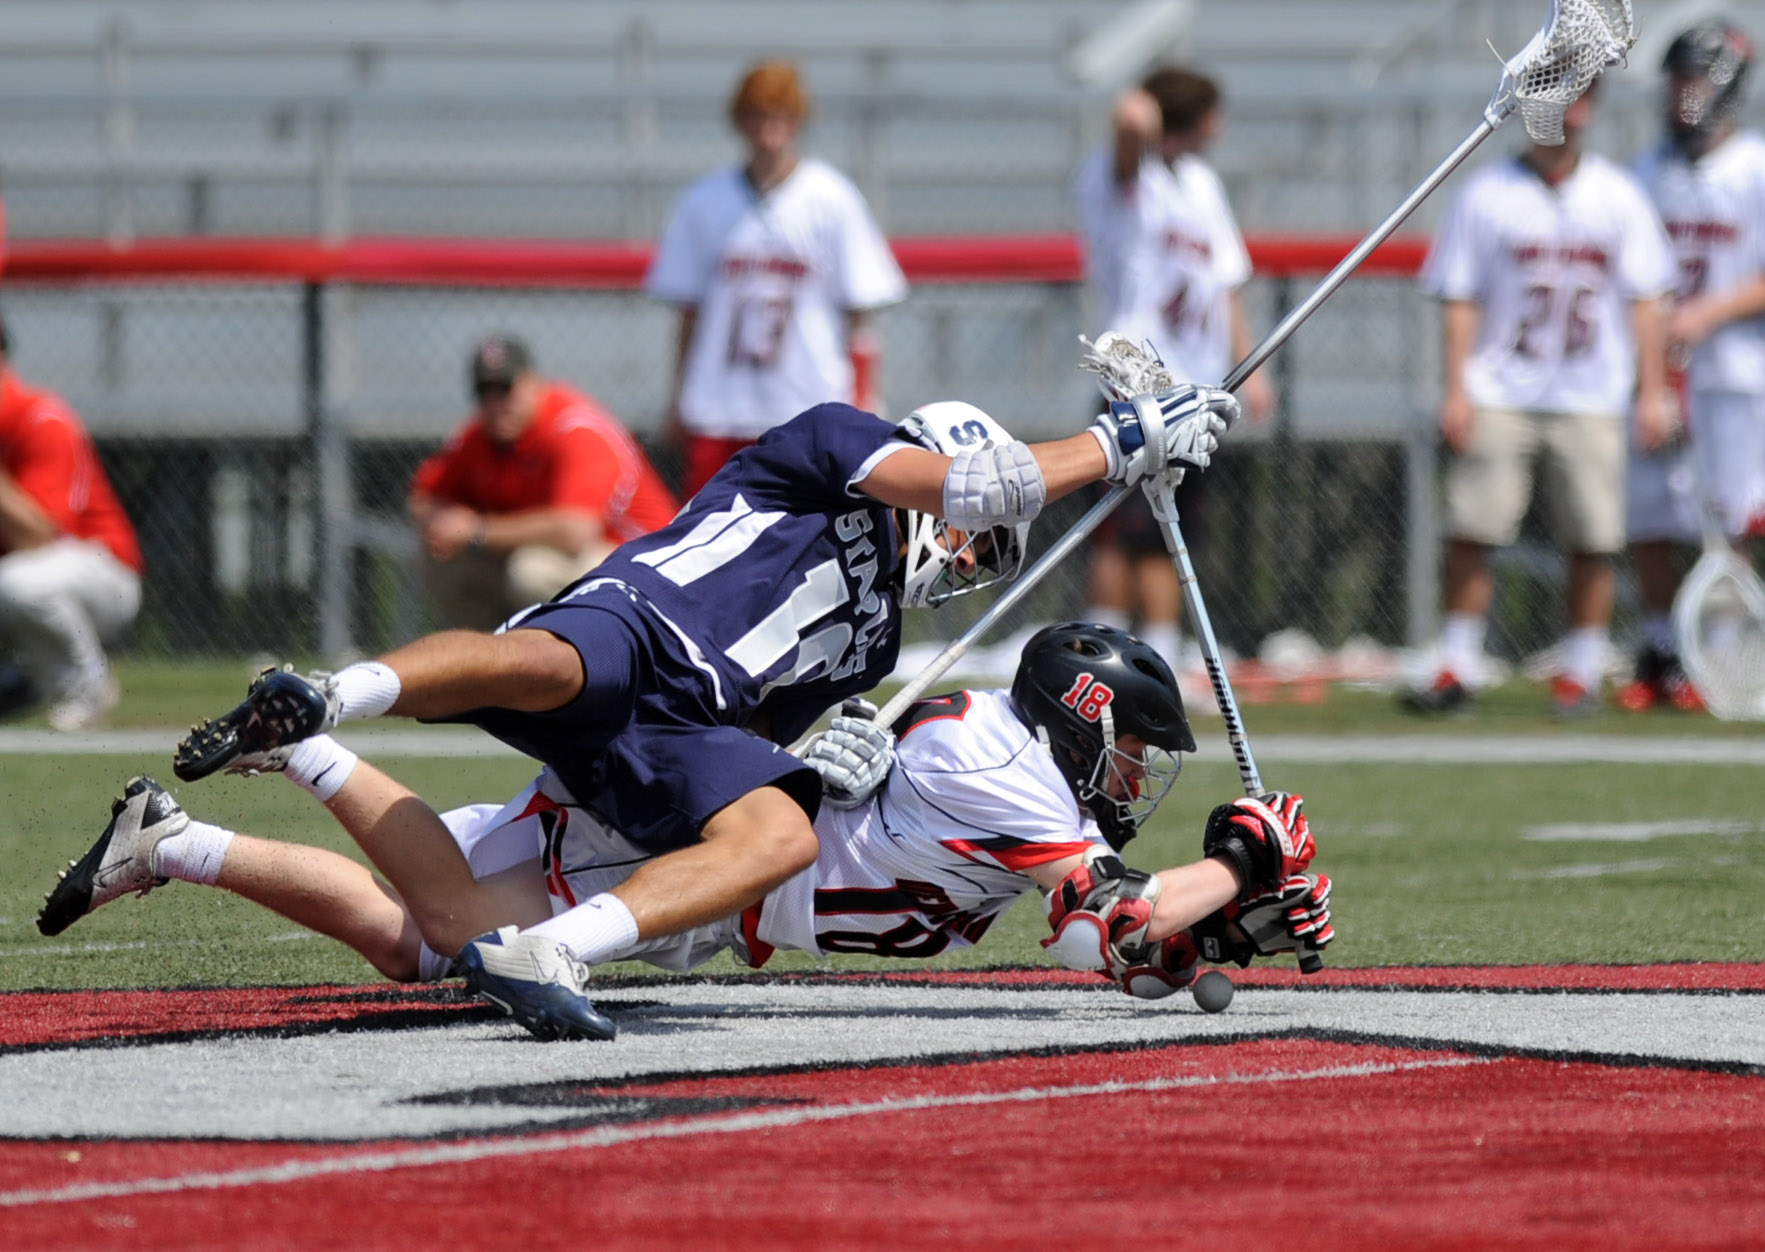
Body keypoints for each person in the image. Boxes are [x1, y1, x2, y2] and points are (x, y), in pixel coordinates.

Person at [171, 384, 1240, 1036]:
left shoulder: (876, 642)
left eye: (984, 561)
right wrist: (1120, 442)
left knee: (769, 836)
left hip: (679, 734)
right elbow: (977, 488)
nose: (964, 565)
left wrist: (824, 769)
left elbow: (758, 743)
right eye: (973, 550)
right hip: (646, 623)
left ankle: (551, 950)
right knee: (542, 663)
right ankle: (325, 697)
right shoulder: (836, 445)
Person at [44, 624, 1334, 1040]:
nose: (1134, 780)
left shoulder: (1018, 770)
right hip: (683, 863)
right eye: (1130, 752)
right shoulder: (1009, 767)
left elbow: (1108, 948)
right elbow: (1116, 919)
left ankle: (170, 839)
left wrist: (1225, 923)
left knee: (406, 938)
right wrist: (1237, 861)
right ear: (1081, 718)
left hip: (707, 881)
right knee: (444, 935)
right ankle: (303, 741)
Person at [1400, 81, 1675, 719]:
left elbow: (1647, 300)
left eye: (1583, 99)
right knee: (1475, 527)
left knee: (1593, 536)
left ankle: (1582, 668)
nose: (1571, 113)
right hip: (1501, 386)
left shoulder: (1617, 195)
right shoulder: (1487, 194)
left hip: (1591, 391)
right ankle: (1458, 661)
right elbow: (1460, 296)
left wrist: (1653, 390)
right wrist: (1456, 388)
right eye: (1560, 98)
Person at [1619, 23, 1765, 712]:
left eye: (1695, 80)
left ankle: (1717, 650)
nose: (1683, 94)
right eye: (1676, 80)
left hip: (1735, 373)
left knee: (1732, 517)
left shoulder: (1761, 168)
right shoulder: (1648, 170)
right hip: (1659, 374)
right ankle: (1659, 647)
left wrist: (1706, 314)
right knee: (1650, 511)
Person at [1073, 66, 1274, 674]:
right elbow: (1129, 127)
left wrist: (1249, 364)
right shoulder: (1131, 178)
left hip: (1194, 385)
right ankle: (1098, 655)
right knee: (1120, 528)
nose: (1220, 129)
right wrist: (1144, 111)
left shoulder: (1203, 185)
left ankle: (1158, 653)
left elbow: (1225, 282)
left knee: (1170, 528)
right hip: (1137, 383)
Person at [645, 60, 907, 496]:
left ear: (798, 120)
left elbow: (861, 314)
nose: (768, 129)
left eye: (779, 115)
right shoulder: (703, 202)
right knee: (707, 524)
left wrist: (864, 401)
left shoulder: (831, 199)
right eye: (757, 115)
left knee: (811, 526)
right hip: (721, 404)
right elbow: (688, 314)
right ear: (739, 121)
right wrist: (677, 399)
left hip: (807, 401)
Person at [408, 335, 680, 630]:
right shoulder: (479, 435)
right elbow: (422, 499)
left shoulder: (575, 428)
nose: (497, 404)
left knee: (531, 570)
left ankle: (601, 656)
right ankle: (496, 655)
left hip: (653, 573)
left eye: (506, 389)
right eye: (486, 393)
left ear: (532, 383)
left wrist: (475, 530)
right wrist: (447, 525)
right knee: (446, 562)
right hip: (583, 562)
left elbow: (573, 532)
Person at [0, 320, 142, 730]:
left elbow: (38, 535)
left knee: (19, 582)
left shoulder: (40, 419)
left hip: (101, 573)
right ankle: (27, 680)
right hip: (26, 578)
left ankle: (86, 686)